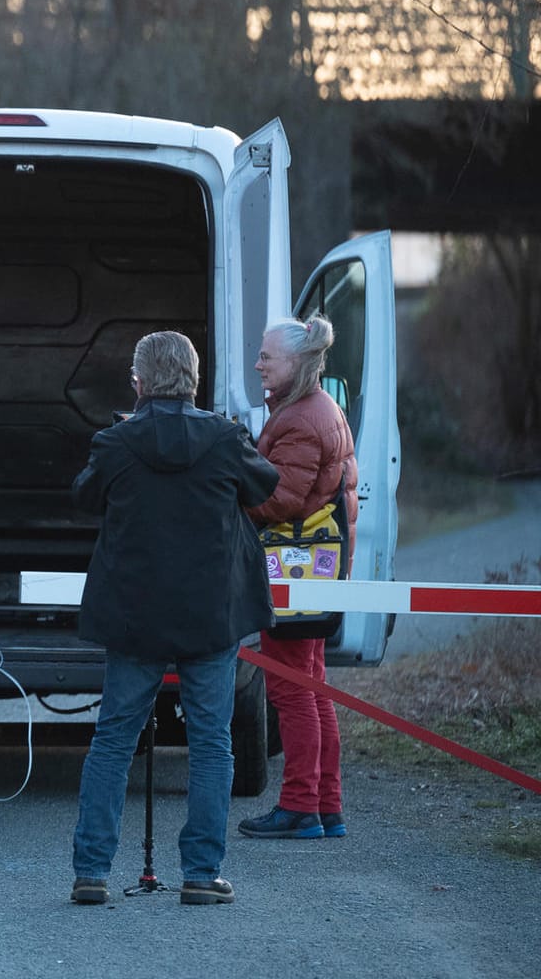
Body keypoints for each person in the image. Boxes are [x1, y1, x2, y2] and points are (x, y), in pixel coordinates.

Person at [68, 330, 278, 907]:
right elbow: (267, 485)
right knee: (212, 743)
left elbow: (83, 499)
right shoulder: (225, 438)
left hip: (135, 616)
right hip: (210, 614)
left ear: (138, 382)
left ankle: (91, 872)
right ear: (194, 379)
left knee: (113, 740)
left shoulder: (114, 442)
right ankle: (201, 874)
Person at [239, 315, 357, 840]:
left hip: (293, 576)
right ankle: (325, 804)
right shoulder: (315, 409)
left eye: (267, 356)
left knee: (290, 690)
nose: (258, 363)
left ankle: (300, 806)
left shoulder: (300, 419)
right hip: (314, 575)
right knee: (313, 687)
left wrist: (229, 493)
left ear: (298, 363)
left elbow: (279, 499)